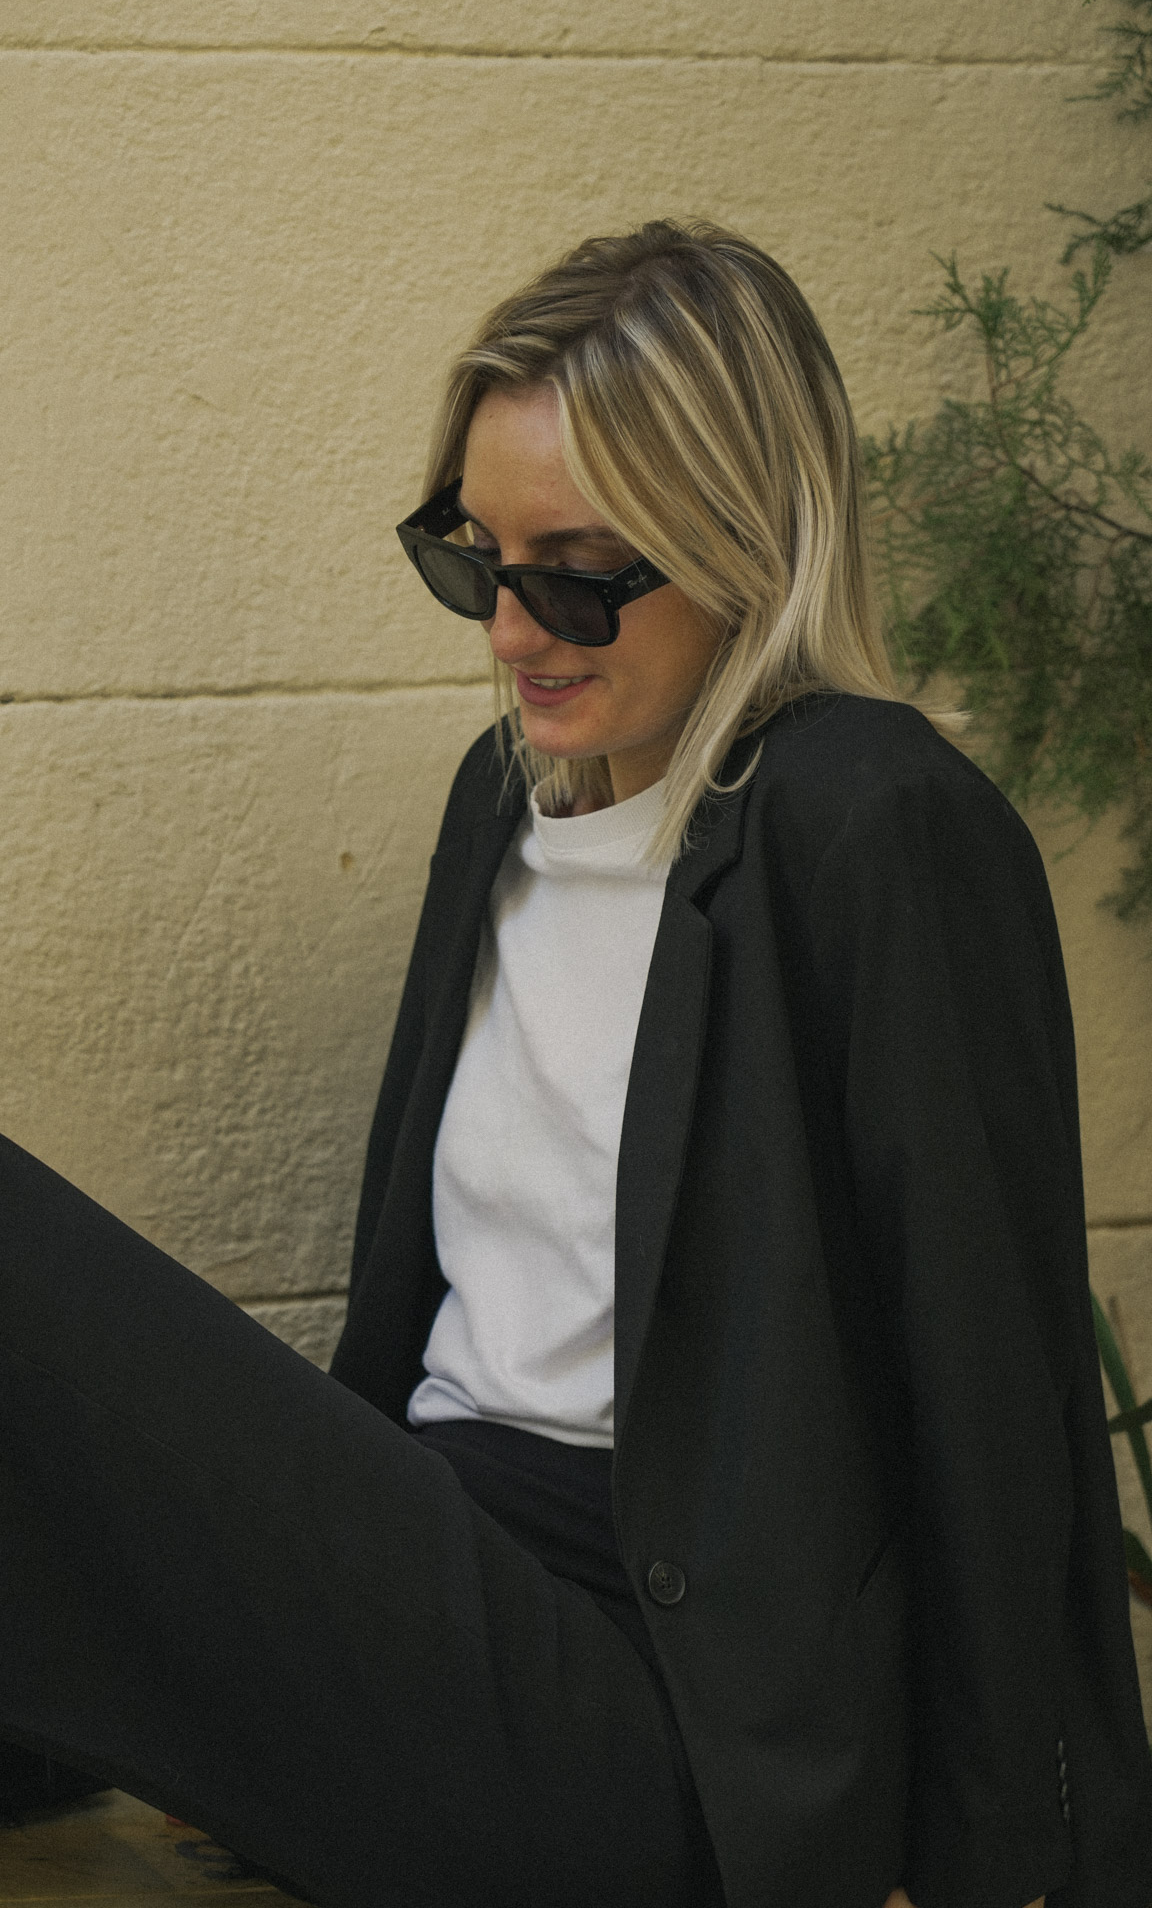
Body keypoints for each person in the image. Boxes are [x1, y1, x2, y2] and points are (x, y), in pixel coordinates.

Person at [0, 219, 1148, 1908]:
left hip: (661, 1700)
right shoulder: (503, 804)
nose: (511, 630)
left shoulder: (871, 821)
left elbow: (987, 1369)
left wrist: (997, 1860)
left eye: (580, 572)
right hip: (439, 1586)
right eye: (476, 560)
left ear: (747, 543)